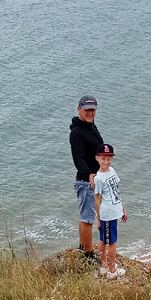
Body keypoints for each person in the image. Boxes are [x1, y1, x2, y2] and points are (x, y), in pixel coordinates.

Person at [69, 95, 104, 258]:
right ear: (79, 109)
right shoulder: (76, 132)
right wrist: (89, 174)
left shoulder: (90, 126)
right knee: (87, 219)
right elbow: (78, 158)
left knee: (86, 217)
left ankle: (83, 248)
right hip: (86, 181)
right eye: (87, 110)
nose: (90, 113)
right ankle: (88, 255)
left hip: (95, 179)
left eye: (92, 110)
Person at [94, 143, 128, 279]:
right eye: (103, 158)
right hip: (107, 214)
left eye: (108, 159)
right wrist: (98, 219)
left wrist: (122, 209)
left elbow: (116, 192)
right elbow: (97, 200)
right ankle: (111, 270)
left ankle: (104, 266)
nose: (106, 162)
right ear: (97, 158)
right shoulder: (98, 179)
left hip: (115, 211)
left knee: (104, 239)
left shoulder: (112, 171)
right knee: (111, 242)